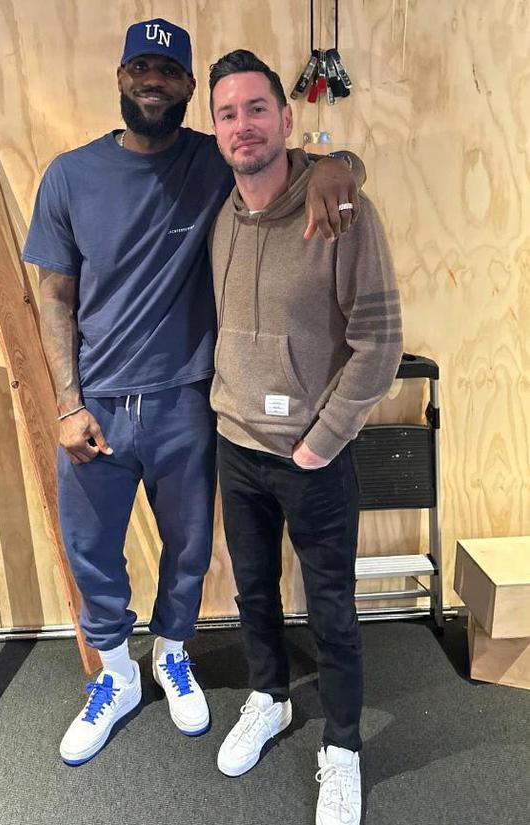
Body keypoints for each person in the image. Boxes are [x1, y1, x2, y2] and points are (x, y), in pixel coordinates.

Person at [22, 19, 366, 767]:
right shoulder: (68, 176)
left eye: (168, 72)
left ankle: (171, 653)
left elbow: (288, 157)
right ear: (121, 77)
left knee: (188, 550)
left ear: (186, 88)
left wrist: (341, 162)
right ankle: (116, 676)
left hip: (186, 398)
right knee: (91, 551)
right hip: (96, 405)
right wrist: (66, 404)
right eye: (140, 68)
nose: (153, 82)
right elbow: (53, 296)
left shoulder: (213, 160)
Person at [208, 50, 402, 824]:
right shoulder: (221, 210)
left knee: (332, 611)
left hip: (311, 457)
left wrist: (323, 441)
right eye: (228, 113)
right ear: (215, 129)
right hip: (235, 447)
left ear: (287, 118)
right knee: (253, 591)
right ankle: (270, 696)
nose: (244, 125)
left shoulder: (341, 210)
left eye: (258, 108)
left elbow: (379, 342)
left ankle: (343, 747)